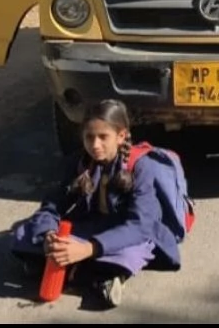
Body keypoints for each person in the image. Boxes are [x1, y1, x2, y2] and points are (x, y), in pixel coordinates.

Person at [10, 100, 184, 308]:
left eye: (103, 137)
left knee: (131, 252)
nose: (95, 145)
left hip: (127, 232)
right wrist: (49, 236)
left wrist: (89, 249)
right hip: (91, 225)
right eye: (89, 137)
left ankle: (100, 275)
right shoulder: (79, 163)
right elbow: (52, 206)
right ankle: (86, 271)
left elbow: (139, 226)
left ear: (121, 136)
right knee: (24, 233)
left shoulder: (140, 167)